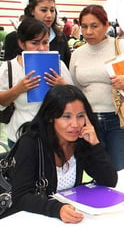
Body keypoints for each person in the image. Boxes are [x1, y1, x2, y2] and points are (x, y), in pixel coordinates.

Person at [1, 85, 118, 222]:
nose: (75, 124)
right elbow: (21, 196)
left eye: (80, 116)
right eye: (66, 117)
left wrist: (95, 144)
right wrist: (57, 209)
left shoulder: (80, 140)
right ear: (51, 117)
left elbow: (109, 180)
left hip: (63, 221)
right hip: (31, 220)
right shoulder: (31, 143)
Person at [70, 5, 124, 170]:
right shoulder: (78, 53)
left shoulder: (123, 47)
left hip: (120, 120)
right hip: (88, 121)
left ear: (106, 25)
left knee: (120, 171)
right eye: (84, 26)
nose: (88, 32)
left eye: (94, 26)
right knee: (95, 171)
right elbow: (75, 87)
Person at [0, 18, 73, 147]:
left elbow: (75, 99)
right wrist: (18, 89)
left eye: (45, 42)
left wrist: (63, 86)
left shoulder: (58, 65)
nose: (41, 48)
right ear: (22, 44)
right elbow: (2, 102)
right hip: (19, 135)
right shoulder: (9, 68)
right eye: (35, 43)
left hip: (54, 134)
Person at [4, 0, 71, 68]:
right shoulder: (13, 38)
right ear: (31, 11)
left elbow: (67, 66)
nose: (49, 15)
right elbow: (8, 73)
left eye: (52, 10)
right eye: (43, 10)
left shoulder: (60, 37)